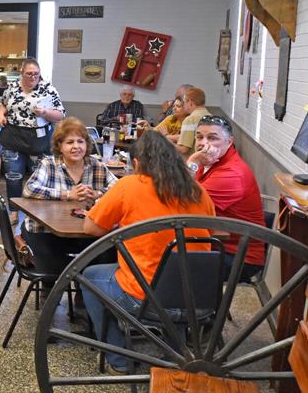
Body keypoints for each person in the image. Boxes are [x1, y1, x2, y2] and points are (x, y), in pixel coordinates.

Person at [79, 130, 216, 372]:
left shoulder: (129, 185)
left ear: (136, 163)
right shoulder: (197, 190)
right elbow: (211, 231)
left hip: (146, 299)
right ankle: (177, 353)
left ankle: (118, 360)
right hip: (197, 299)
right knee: (175, 268)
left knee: (88, 276)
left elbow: (91, 227)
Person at [22, 117, 117, 278]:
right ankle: (50, 289)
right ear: (60, 145)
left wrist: (97, 194)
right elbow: (29, 189)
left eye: (80, 141)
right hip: (46, 231)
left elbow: (118, 188)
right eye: (69, 142)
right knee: (52, 253)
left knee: (108, 248)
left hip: (84, 231)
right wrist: (67, 194)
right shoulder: (49, 163)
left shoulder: (95, 165)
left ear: (87, 145)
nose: (76, 147)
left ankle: (86, 291)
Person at [188, 115, 266, 282]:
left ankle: (184, 307)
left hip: (238, 256)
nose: (203, 143)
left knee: (162, 261)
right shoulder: (212, 162)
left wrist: (193, 160)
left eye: (212, 138)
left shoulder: (231, 174)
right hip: (219, 241)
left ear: (229, 142)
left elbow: (181, 202)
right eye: (199, 137)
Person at [0, 58, 65, 203]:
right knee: (13, 177)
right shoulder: (12, 87)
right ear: (21, 73)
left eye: (36, 74)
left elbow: (60, 115)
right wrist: (0, 114)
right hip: (13, 137)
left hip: (39, 140)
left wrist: (45, 113)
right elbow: (3, 104)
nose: (33, 77)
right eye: (29, 74)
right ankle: (14, 210)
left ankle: (35, 214)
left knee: (38, 181)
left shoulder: (48, 89)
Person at [176, 87, 211, 156]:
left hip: (192, 162)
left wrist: (167, 143)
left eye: (184, 102)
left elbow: (183, 149)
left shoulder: (190, 120)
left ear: (190, 102)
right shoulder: (210, 116)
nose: (184, 105)